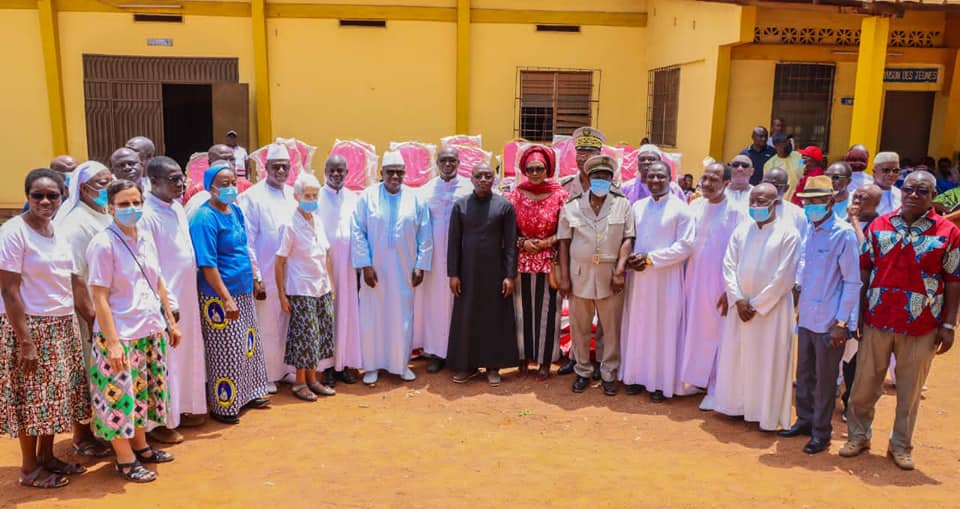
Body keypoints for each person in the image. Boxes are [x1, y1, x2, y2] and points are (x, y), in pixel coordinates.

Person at [841, 171, 959, 470]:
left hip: (922, 324)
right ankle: (858, 436)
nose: (913, 195)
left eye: (922, 190)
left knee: (909, 391)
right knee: (864, 385)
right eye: (908, 189)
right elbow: (864, 268)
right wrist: (858, 314)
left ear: (933, 196)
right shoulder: (880, 224)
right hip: (877, 318)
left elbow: (954, 279)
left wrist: (948, 324)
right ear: (900, 191)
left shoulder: (948, 232)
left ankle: (901, 445)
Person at [0, 169, 95, 488]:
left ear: (62, 197)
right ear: (26, 197)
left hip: (61, 325)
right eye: (37, 195)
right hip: (30, 327)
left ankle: (46, 456)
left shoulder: (58, 232)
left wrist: (90, 319)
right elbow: (9, 290)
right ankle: (29, 469)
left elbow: (74, 280)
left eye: (52, 196)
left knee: (54, 397)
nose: (44, 201)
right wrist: (25, 342)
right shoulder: (14, 232)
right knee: (32, 399)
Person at [86, 179, 181, 483]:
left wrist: (170, 320)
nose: (132, 209)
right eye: (124, 204)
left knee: (142, 392)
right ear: (110, 207)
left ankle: (141, 445)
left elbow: (158, 281)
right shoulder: (103, 244)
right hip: (120, 333)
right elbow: (99, 297)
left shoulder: (146, 236)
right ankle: (124, 459)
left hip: (148, 328)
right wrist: (113, 343)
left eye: (136, 202)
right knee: (118, 398)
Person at [778, 176, 860, 454]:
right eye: (807, 201)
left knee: (825, 379)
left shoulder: (843, 234)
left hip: (829, 321)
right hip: (807, 318)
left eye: (817, 201)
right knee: (804, 373)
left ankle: (821, 431)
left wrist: (842, 323)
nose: (811, 206)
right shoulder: (810, 230)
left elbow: (852, 282)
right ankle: (804, 420)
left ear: (830, 201)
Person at [713, 183, 801, 431]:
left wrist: (757, 304)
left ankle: (764, 414)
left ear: (776, 203)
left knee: (766, 360)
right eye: (752, 201)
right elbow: (728, 265)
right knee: (737, 357)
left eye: (761, 202)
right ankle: (735, 407)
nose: (755, 206)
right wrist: (738, 299)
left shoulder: (788, 233)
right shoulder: (742, 230)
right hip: (739, 307)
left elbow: (785, 276)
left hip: (770, 310)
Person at [189, 163, 270, 425]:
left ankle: (248, 394)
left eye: (233, 182)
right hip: (219, 295)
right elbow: (207, 263)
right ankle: (225, 405)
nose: (230, 188)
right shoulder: (204, 218)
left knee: (248, 345)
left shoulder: (235, 211)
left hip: (243, 288)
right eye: (224, 184)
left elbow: (245, 247)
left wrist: (255, 278)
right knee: (227, 350)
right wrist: (225, 298)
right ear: (210, 187)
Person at [140, 156, 207, 442]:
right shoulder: (146, 214)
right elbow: (151, 264)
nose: (180, 183)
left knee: (186, 355)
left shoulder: (177, 207)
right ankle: (160, 423)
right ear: (153, 181)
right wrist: (168, 303)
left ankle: (184, 408)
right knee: (165, 360)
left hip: (187, 296)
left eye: (181, 177)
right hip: (167, 301)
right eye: (173, 179)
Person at [351, 150, 432, 385]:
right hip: (374, 271)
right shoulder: (367, 197)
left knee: (402, 316)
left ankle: (400, 365)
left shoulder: (415, 198)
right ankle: (372, 366)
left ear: (405, 173)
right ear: (381, 172)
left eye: (399, 172)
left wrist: (420, 265)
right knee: (372, 317)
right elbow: (357, 231)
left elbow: (425, 234)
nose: (395, 176)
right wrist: (365, 265)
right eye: (390, 172)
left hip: (404, 269)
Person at [51, 160, 115, 458]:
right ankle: (82, 433)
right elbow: (74, 275)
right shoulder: (75, 223)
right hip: (86, 310)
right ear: (84, 189)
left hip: (108, 307)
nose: (107, 187)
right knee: (87, 371)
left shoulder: (103, 213)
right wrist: (91, 317)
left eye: (109, 181)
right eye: (101, 183)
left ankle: (107, 427)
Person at [558, 155, 635, 396]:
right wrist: (564, 277)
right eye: (596, 176)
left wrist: (620, 270)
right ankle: (582, 370)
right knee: (579, 327)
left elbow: (628, 238)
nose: (600, 180)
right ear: (588, 178)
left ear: (612, 179)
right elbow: (563, 242)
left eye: (605, 176)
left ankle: (608, 372)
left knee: (610, 328)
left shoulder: (622, 204)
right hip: (579, 274)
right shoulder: (572, 205)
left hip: (610, 275)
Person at [619, 161, 694, 402]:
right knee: (638, 325)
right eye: (651, 176)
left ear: (670, 179)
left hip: (665, 278)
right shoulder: (638, 207)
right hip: (639, 278)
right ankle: (635, 377)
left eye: (660, 176)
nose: (655, 181)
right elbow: (629, 238)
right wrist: (631, 259)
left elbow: (685, 246)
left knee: (663, 329)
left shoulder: (682, 210)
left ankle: (661, 383)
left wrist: (651, 258)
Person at [680, 163, 747, 409]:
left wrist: (731, 290)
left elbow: (740, 254)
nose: (707, 184)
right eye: (704, 178)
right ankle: (698, 381)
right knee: (695, 331)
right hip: (694, 280)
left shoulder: (737, 213)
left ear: (727, 184)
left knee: (718, 335)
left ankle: (715, 388)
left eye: (714, 180)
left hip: (720, 285)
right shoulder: (695, 206)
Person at [446, 164, 519, 386]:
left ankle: (492, 367)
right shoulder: (460, 205)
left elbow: (510, 244)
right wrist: (453, 273)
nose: (483, 179)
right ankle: (466, 366)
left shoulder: (504, 206)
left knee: (493, 317)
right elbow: (453, 242)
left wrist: (509, 275)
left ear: (494, 178)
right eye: (479, 176)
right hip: (467, 272)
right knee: (466, 317)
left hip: (495, 273)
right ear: (472, 178)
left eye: (488, 176)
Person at [238, 143, 298, 393]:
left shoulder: (293, 194)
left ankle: (286, 369)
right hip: (265, 271)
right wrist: (256, 276)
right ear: (266, 167)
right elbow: (247, 240)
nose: (280, 170)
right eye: (276, 166)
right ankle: (266, 375)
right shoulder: (252, 197)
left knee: (288, 321)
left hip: (292, 272)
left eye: (284, 166)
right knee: (267, 322)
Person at [508, 145, 568, 379]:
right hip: (521, 260)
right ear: (524, 170)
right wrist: (522, 242)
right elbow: (507, 229)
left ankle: (544, 360)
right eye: (530, 169)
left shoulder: (560, 195)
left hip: (549, 261)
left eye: (539, 168)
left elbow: (566, 230)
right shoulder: (515, 195)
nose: (534, 173)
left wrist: (545, 242)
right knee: (521, 311)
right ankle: (522, 358)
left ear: (548, 169)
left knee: (548, 311)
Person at [275, 173, 336, 401]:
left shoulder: (317, 220)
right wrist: (282, 295)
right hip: (301, 288)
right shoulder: (290, 225)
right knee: (305, 337)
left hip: (321, 287)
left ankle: (313, 379)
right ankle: (299, 383)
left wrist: (331, 284)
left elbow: (325, 254)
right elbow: (279, 261)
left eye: (314, 195)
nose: (311, 200)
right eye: (307, 196)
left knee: (319, 334)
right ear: (297, 197)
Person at [413, 146, 473, 373]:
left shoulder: (469, 187)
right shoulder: (425, 190)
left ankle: (459, 352)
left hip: (463, 255)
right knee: (435, 304)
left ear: (459, 162)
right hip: (434, 257)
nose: (448, 164)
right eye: (443, 160)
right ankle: (436, 352)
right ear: (437, 163)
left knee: (459, 302)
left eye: (452, 160)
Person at [558, 127, 607, 377]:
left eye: (589, 152)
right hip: (575, 260)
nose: (583, 157)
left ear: (599, 155)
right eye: (580, 152)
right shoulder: (566, 186)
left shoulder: (612, 187)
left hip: (603, 261)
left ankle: (600, 359)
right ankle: (577, 358)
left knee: (604, 315)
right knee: (578, 314)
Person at [316, 154, 361, 385]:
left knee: (346, 314)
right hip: (323, 266)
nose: (336, 174)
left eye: (340, 170)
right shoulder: (316, 197)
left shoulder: (353, 198)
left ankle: (342, 364)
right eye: (331, 170)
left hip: (349, 268)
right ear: (325, 171)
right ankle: (326, 368)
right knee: (326, 316)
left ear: (346, 172)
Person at [840, 184, 883, 414]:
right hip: (839, 294)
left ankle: (851, 401)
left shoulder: (880, 225)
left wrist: (855, 222)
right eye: (855, 196)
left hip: (864, 296)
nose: (856, 200)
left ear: (876, 203)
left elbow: (866, 251)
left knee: (855, 352)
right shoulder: (843, 221)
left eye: (862, 197)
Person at [183, 144, 253, 205]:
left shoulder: (247, 186)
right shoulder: (197, 190)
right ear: (210, 163)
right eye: (223, 159)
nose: (228, 163)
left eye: (232, 159)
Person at [622, 144, 687, 205]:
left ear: (660, 162)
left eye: (651, 159)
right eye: (642, 159)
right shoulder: (626, 188)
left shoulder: (673, 188)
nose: (646, 162)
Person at [761, 167, 808, 238]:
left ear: (786, 188)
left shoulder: (797, 214)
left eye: (775, 185)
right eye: (766, 184)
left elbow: (802, 240)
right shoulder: (752, 209)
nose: (769, 189)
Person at [763, 133, 803, 202]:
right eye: (784, 142)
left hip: (800, 199)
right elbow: (768, 186)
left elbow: (805, 172)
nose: (788, 144)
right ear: (776, 145)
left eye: (789, 141)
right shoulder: (770, 164)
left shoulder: (799, 157)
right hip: (782, 201)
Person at [873, 152, 903, 216]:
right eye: (886, 170)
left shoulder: (901, 195)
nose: (891, 174)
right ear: (874, 172)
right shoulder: (861, 193)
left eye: (895, 171)